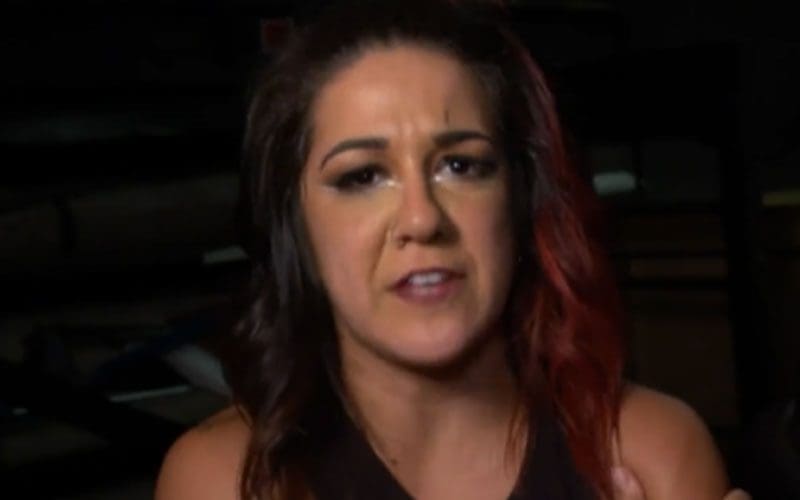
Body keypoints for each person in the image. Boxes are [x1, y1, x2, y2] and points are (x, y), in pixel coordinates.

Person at [155, 1, 751, 498]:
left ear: (519, 199)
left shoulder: (653, 454)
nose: (421, 219)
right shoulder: (222, 481)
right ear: (297, 225)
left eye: (461, 166)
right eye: (363, 176)